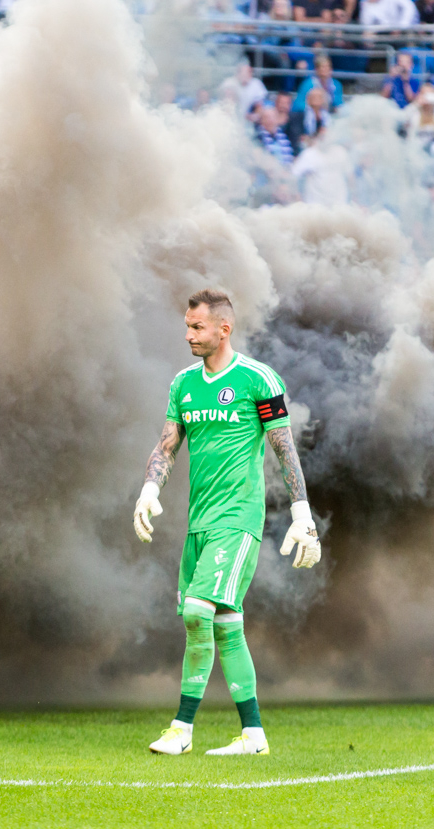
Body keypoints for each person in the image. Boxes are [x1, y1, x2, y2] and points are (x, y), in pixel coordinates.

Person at [135, 289, 320, 758]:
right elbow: (167, 445)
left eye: (196, 326)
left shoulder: (257, 380)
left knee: (198, 611)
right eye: (187, 325)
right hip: (199, 522)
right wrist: (150, 488)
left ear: (224, 328)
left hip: (238, 519)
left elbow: (283, 448)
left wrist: (302, 513)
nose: (188, 334)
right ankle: (253, 735)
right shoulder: (182, 385)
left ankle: (182, 728)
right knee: (224, 623)